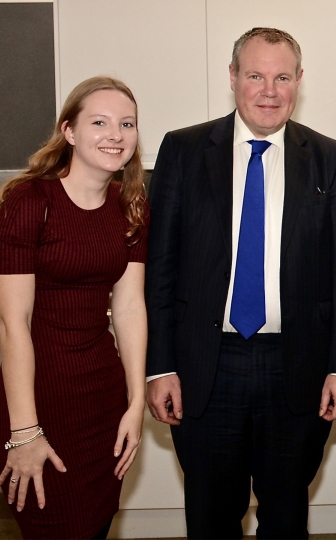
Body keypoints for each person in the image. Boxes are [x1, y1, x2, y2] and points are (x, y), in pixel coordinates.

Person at [144, 27, 336, 539]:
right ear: (233, 78)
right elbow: (161, 270)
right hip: (205, 368)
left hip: (298, 371)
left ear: (299, 82)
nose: (270, 90)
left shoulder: (329, 158)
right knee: (210, 517)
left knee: (286, 517)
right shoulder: (183, 149)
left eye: (282, 77)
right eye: (256, 76)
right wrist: (161, 367)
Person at [0, 76, 148, 539]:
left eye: (127, 123)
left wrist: (136, 400)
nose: (115, 135)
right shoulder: (29, 200)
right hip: (39, 396)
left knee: (96, 523)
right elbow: (12, 324)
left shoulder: (131, 206)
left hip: (103, 399)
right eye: (99, 122)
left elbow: (128, 309)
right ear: (68, 131)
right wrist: (25, 431)